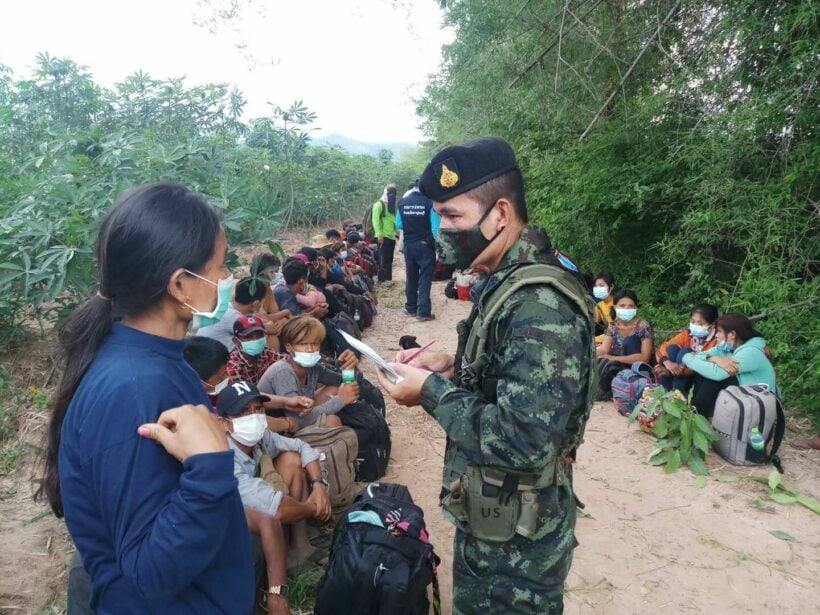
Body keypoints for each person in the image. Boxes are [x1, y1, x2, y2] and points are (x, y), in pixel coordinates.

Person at [376, 137, 596, 614]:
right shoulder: (507, 278)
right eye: (439, 217)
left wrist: (432, 392)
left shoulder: (539, 303)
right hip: (497, 516)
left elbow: (524, 439)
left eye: (453, 216)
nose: (442, 230)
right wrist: (451, 367)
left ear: (499, 213)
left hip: (518, 550)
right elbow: (513, 373)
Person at [40, 182, 253, 613]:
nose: (227, 277)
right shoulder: (133, 390)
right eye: (220, 265)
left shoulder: (160, 360)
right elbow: (151, 573)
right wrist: (210, 469)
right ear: (180, 284)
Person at [216, 380, 332, 612]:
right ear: (225, 424)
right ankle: (265, 590)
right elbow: (275, 508)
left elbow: (301, 446)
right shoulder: (225, 457)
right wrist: (314, 508)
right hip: (232, 531)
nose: (255, 416)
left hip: (265, 508)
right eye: (244, 412)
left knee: (291, 459)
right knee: (258, 537)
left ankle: (298, 549)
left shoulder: (259, 437)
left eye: (258, 409)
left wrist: (319, 485)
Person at [259, 316, 360, 430]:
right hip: (278, 430)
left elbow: (340, 381)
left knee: (335, 388)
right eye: (303, 344)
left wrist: (348, 367)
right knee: (332, 421)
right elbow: (297, 421)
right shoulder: (283, 371)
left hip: (300, 417)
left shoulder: (313, 367)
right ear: (288, 347)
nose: (310, 349)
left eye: (314, 343)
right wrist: (340, 401)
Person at [184, 336, 312, 424]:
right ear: (196, 380)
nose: (227, 378)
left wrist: (286, 402)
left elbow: (246, 396)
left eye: (225, 373)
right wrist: (287, 424)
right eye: (220, 377)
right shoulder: (189, 407)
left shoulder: (219, 386)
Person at [682, 313, 779, 418]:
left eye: (719, 331)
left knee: (712, 379)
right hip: (740, 396)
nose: (716, 335)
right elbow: (690, 357)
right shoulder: (725, 348)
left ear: (732, 334)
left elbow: (717, 374)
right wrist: (713, 358)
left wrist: (700, 359)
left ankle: (695, 416)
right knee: (702, 372)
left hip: (757, 401)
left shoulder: (751, 352)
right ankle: (698, 414)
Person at [595, 289, 654, 397]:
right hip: (620, 367)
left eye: (630, 306)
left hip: (639, 369)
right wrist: (588, 355)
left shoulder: (643, 326)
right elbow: (604, 350)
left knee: (629, 341)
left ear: (635, 308)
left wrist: (614, 358)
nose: (626, 309)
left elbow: (645, 357)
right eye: (622, 306)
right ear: (615, 307)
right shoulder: (613, 326)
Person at [396, 178, 440, 321]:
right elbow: (435, 229)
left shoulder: (402, 202)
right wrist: (438, 246)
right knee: (425, 278)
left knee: (411, 276)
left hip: (409, 245)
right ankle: (423, 312)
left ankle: (410, 308)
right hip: (425, 245)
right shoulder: (430, 203)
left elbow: (399, 224)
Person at [654, 304, 719, 394]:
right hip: (681, 371)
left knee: (686, 352)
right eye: (693, 321)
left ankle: (676, 394)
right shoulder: (688, 334)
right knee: (672, 349)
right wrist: (667, 362)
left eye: (700, 324)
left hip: (698, 377)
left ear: (712, 326)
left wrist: (670, 371)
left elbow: (703, 366)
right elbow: (662, 349)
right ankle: (663, 393)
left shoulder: (717, 340)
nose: (695, 325)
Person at [197, 275, 273, 349]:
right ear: (255, 304)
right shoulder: (234, 317)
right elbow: (269, 328)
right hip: (213, 358)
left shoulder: (227, 307)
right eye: (263, 301)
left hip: (202, 352)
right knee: (268, 337)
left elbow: (260, 321)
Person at [227, 314, 285, 385]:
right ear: (236, 341)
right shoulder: (233, 366)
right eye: (248, 337)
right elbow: (245, 395)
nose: (256, 340)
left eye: (259, 335)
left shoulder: (266, 352)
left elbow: (285, 361)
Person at [372, 184, 398, 284]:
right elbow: (375, 221)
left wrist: (397, 231)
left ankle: (388, 279)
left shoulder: (391, 206)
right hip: (383, 236)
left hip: (391, 236)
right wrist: (379, 234)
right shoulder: (379, 205)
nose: (393, 196)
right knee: (383, 258)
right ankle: (383, 279)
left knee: (389, 259)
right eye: (390, 193)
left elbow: (392, 220)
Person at [591, 272, 616, 344]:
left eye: (601, 285)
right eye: (595, 286)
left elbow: (617, 332)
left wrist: (592, 340)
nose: (598, 288)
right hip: (607, 339)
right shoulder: (600, 305)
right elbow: (592, 322)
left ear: (611, 287)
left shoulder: (620, 304)